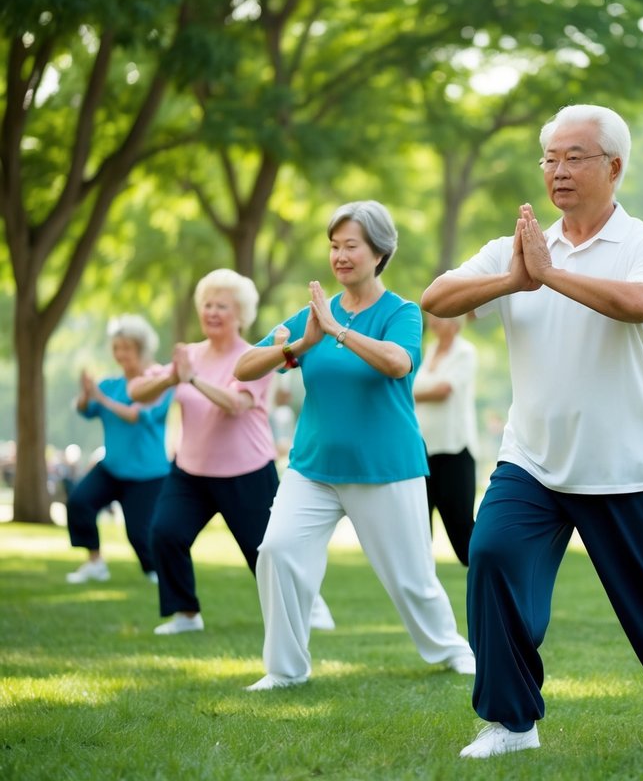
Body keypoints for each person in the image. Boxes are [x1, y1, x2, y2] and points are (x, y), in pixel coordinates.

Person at [423, 104, 643, 759]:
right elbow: (435, 298)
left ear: (613, 166)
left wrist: (551, 276)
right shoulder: (515, 250)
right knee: (493, 558)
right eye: (549, 157)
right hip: (531, 459)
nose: (557, 170)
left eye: (572, 157)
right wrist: (516, 276)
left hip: (626, 460)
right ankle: (511, 723)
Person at [234, 201, 474, 691]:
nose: (340, 256)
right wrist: (300, 345)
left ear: (380, 252)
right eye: (334, 247)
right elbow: (242, 368)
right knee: (277, 551)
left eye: (351, 246)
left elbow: (398, 364)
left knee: (412, 579)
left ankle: (452, 650)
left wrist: (338, 331)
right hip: (313, 468)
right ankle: (285, 669)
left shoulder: (401, 312)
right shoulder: (311, 317)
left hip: (386, 467)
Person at [129, 269, 331, 636]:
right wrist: (171, 377)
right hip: (191, 471)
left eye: (222, 305)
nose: (212, 311)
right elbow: (138, 393)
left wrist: (191, 380)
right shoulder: (189, 355)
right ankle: (186, 614)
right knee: (164, 533)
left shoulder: (257, 356)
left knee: (267, 552)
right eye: (207, 304)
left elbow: (236, 404)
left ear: (240, 314)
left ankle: (311, 601)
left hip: (247, 470)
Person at [64, 314, 172, 585]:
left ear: (142, 350)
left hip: (148, 474)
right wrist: (86, 394)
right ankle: (95, 563)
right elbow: (85, 410)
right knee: (79, 502)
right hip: (112, 467)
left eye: (127, 348)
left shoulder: (159, 383)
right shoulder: (109, 385)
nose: (120, 354)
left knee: (138, 533)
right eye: (116, 348)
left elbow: (137, 415)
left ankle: (155, 570)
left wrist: (101, 398)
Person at [412, 313, 479, 566]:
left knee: (461, 526)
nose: (434, 320)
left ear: (455, 322)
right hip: (424, 450)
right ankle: (420, 578)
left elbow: (443, 390)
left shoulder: (465, 352)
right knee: (419, 525)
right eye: (432, 316)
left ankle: (491, 575)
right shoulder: (428, 351)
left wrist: (407, 394)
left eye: (441, 316)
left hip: (454, 449)